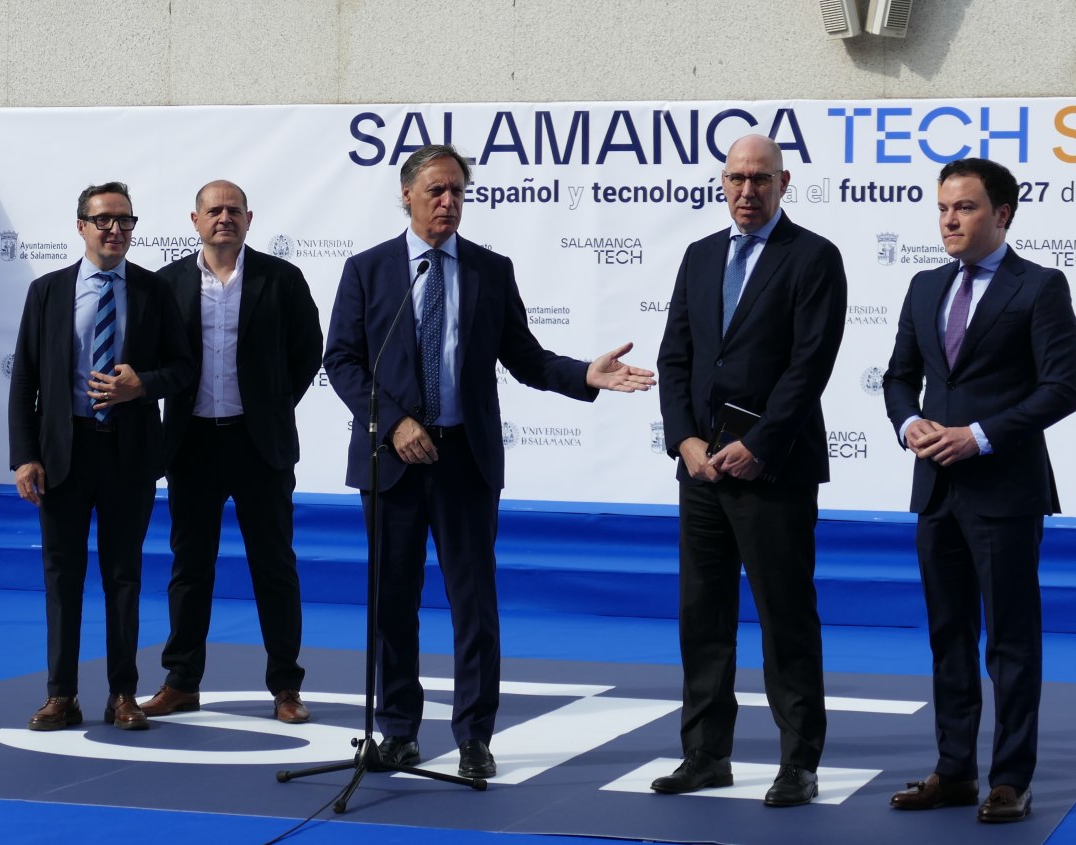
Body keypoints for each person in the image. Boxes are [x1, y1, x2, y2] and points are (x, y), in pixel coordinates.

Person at [322, 144, 655, 779]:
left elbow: (525, 358)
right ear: (407, 196)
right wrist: (393, 423)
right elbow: (342, 361)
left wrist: (585, 373)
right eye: (436, 192)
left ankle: (474, 735)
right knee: (392, 602)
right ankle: (397, 730)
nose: (449, 202)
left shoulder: (488, 271)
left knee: (473, 604)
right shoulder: (368, 271)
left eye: (457, 192)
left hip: (464, 464)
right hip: (389, 465)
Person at [882, 157, 1076, 823]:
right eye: (942, 207)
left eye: (963, 208)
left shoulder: (1041, 287)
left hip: (1005, 490)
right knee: (948, 637)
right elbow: (897, 378)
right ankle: (955, 770)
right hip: (936, 491)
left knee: (1011, 642)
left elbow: (1061, 390)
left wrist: (980, 435)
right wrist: (909, 422)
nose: (948, 219)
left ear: (1002, 214)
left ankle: (1010, 778)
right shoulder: (922, 286)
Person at [652, 134, 847, 807]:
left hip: (774, 471)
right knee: (701, 616)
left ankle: (799, 761)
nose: (746, 190)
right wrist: (684, 440)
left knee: (784, 616)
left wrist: (760, 442)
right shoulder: (700, 256)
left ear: (783, 183)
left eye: (760, 178)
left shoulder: (814, 258)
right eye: (736, 177)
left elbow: (809, 367)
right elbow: (675, 356)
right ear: (723, 181)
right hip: (701, 472)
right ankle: (706, 753)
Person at [8, 182, 194, 732]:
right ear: (81, 226)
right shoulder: (46, 292)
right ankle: (61, 695)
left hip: (128, 455)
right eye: (104, 220)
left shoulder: (153, 292)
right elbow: (25, 382)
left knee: (124, 577)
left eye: (126, 221)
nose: (116, 230)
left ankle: (123, 695)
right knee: (62, 577)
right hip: (63, 456)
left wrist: (144, 385)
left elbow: (183, 369)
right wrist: (25, 457)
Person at [139, 181, 322, 724]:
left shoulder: (281, 279)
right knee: (189, 567)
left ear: (250, 218)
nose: (224, 218)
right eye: (213, 211)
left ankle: (286, 687)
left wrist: (270, 404)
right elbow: (154, 362)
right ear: (194, 220)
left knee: (275, 567)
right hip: (191, 442)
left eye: (233, 211)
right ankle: (181, 682)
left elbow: (306, 352)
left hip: (259, 443)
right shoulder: (166, 283)